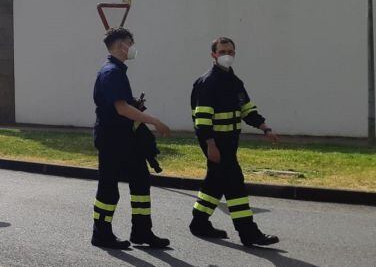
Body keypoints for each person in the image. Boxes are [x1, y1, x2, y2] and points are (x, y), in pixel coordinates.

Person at [189, 37, 280, 246]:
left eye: (230, 51)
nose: (226, 55)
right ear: (213, 55)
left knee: (215, 183)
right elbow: (202, 120)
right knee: (234, 184)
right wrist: (210, 145)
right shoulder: (207, 83)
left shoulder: (235, 82)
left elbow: (247, 109)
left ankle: (199, 222)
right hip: (215, 143)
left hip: (230, 143)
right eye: (222, 52)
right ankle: (248, 232)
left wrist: (265, 127)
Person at [90, 28, 172, 249]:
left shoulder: (117, 71)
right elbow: (122, 108)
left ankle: (142, 231)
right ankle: (101, 233)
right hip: (112, 139)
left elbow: (124, 104)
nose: (133, 47)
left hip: (126, 139)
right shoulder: (111, 72)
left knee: (141, 181)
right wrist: (154, 121)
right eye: (130, 42)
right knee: (109, 187)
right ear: (121, 45)